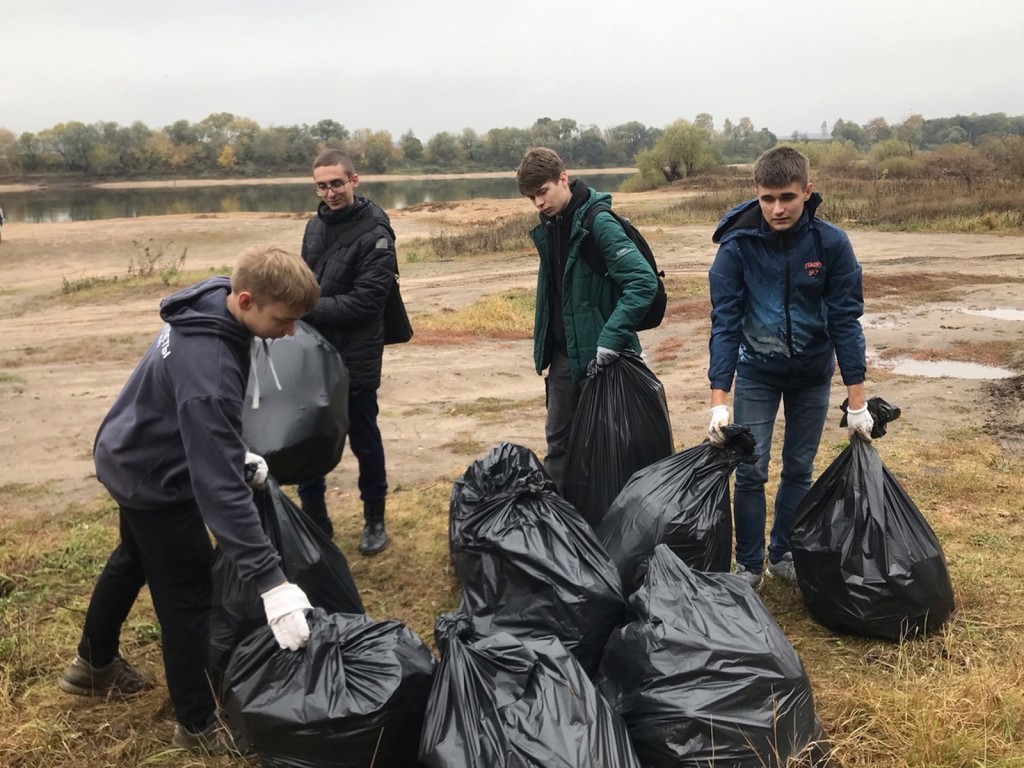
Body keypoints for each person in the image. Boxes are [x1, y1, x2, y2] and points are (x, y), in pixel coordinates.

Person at [58, 245, 321, 755]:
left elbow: (195, 416)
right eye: (284, 320)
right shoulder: (211, 368)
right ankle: (198, 724)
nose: (291, 331)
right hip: (155, 477)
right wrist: (272, 583)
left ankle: (93, 666)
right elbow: (218, 490)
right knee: (190, 598)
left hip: (130, 451)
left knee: (133, 559)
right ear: (246, 299)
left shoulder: (211, 302)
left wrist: (231, 449)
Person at [706, 146, 874, 589]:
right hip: (757, 372)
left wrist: (856, 402)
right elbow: (724, 323)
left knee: (799, 468)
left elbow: (845, 320)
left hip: (813, 374)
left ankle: (783, 554)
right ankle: (748, 566)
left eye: (787, 197)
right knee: (750, 468)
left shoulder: (830, 244)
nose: (777, 209)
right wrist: (718, 400)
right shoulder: (737, 247)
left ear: (807, 192)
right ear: (755, 195)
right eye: (767, 199)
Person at [516, 147, 658, 491]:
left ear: (563, 179)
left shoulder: (599, 222)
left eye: (542, 192)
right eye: (531, 197)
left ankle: (620, 529)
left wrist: (610, 339)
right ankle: (560, 530)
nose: (537, 203)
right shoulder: (551, 225)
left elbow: (643, 283)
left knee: (616, 449)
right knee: (559, 445)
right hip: (565, 358)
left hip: (606, 360)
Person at [298, 149, 396, 555]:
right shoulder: (313, 227)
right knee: (307, 438)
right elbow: (304, 280)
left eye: (336, 183)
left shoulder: (377, 232)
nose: (330, 192)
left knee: (364, 440)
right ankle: (315, 519)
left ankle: (375, 520)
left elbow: (367, 303)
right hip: (312, 352)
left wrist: (304, 307)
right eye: (321, 185)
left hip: (356, 353)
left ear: (354, 180)